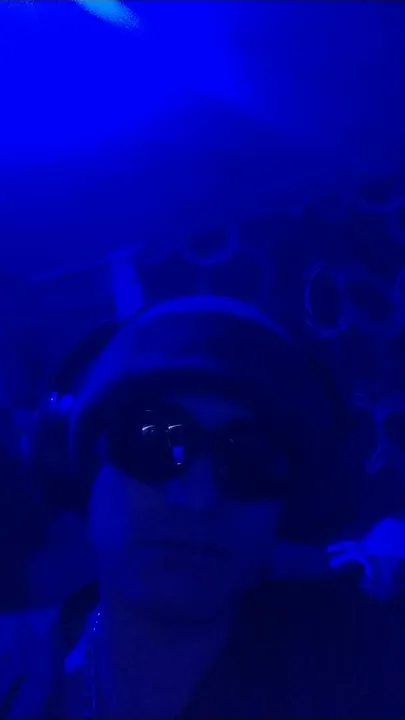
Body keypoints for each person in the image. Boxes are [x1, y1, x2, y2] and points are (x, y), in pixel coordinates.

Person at [3, 295, 405, 719]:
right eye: (152, 444)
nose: (197, 498)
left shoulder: (367, 666)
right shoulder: (17, 678)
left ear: (290, 511)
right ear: (82, 474)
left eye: (250, 462)